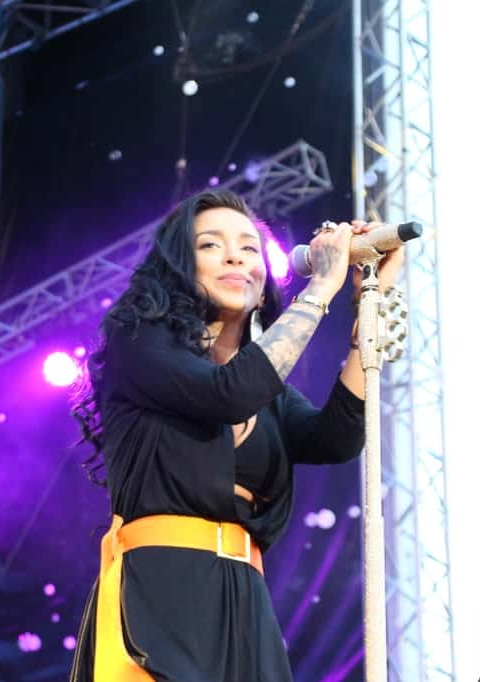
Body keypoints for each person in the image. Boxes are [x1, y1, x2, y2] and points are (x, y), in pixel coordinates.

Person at [69, 189, 405, 681]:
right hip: (162, 591)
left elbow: (336, 440)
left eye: (249, 248)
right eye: (210, 244)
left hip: (245, 598)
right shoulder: (139, 342)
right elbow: (228, 393)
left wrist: (369, 303)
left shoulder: (270, 396)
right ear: (178, 267)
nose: (235, 257)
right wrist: (321, 288)